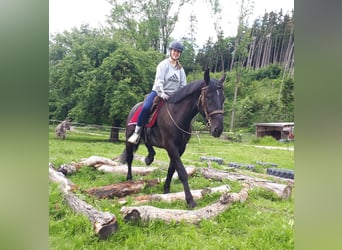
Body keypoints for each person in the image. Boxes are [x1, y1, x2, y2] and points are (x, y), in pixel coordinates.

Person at [128, 40, 187, 144]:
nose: (176, 53)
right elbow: (159, 81)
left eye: (178, 52)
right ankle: (136, 133)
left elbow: (183, 86)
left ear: (180, 54)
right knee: (146, 107)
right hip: (159, 93)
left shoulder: (181, 70)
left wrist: (180, 96)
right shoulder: (163, 65)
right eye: (174, 51)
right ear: (170, 51)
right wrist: (162, 93)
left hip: (173, 97)